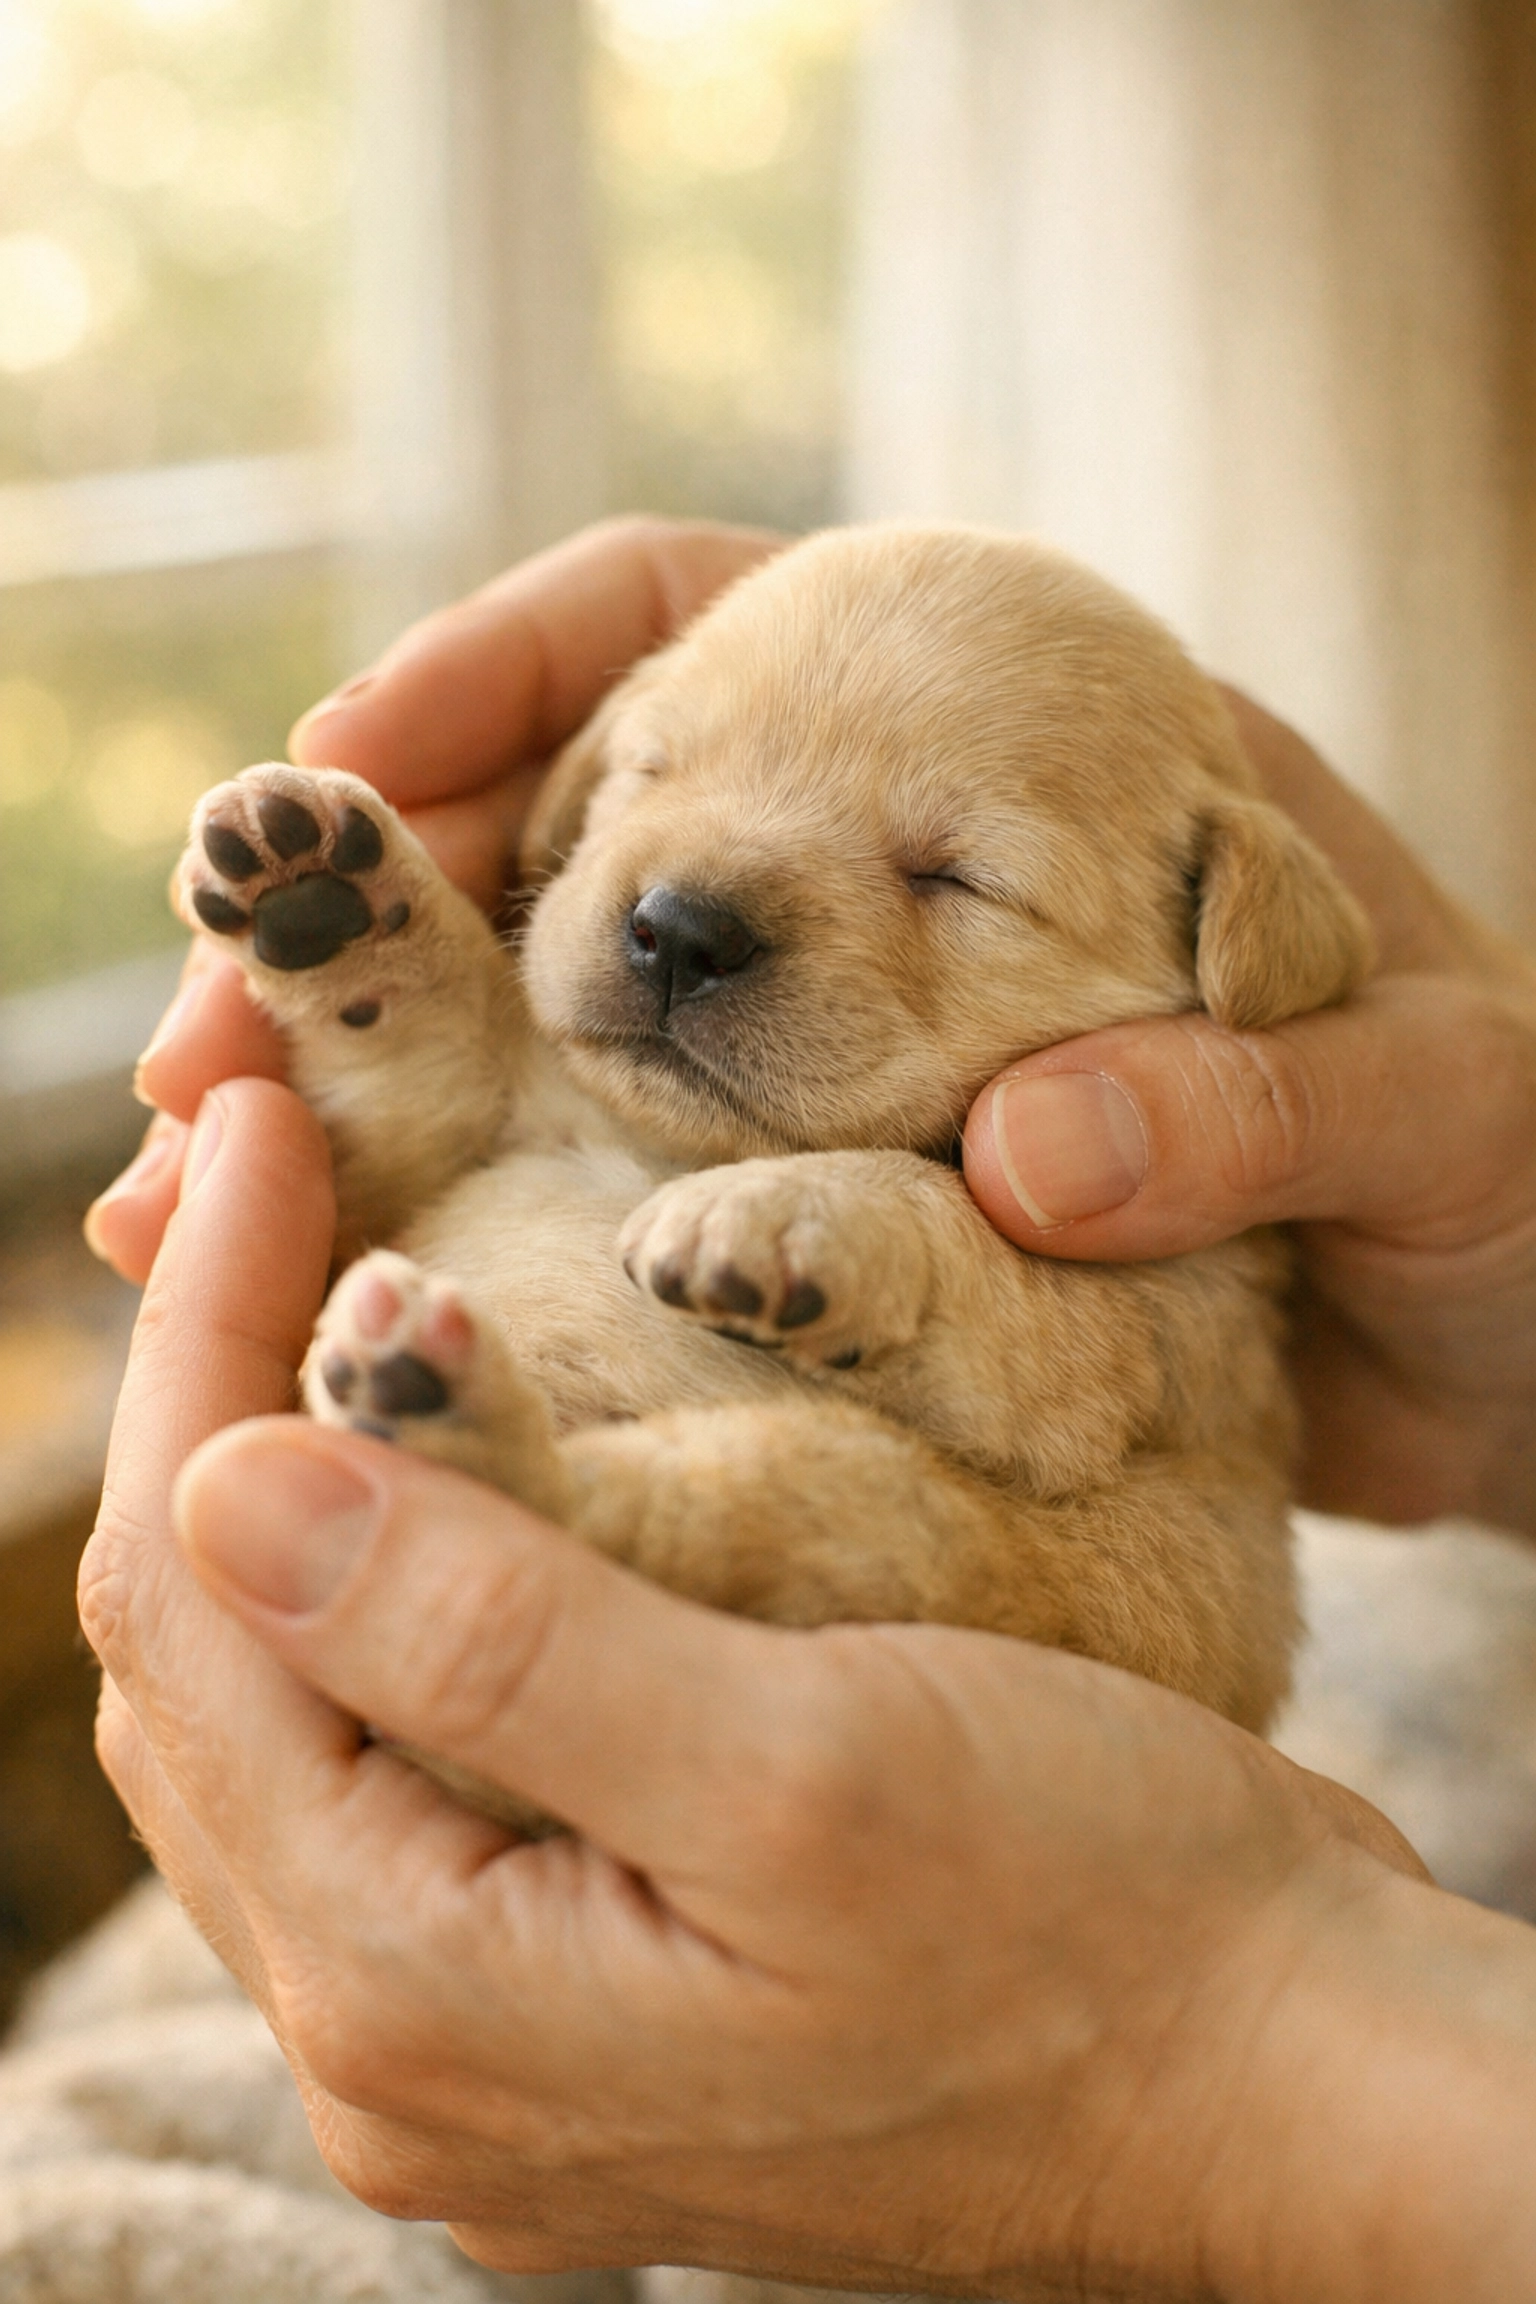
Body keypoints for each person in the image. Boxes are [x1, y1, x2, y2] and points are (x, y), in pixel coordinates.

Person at [80, 518, 1536, 2303]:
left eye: (953, 878)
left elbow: (1069, 1406)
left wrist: (1201, 2074)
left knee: (833, 1491)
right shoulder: (608, 1033)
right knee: (430, 1134)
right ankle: (473, 1491)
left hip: (944, 1614)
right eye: (660, 765)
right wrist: (400, 998)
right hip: (453, 1629)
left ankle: (551, 1538)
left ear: (1229, 955)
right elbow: (462, 1138)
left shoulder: (1157, 1233)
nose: (686, 907)